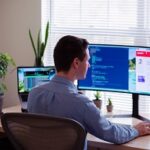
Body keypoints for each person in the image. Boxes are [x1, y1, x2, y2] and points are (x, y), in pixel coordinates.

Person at [27, 35, 150, 148]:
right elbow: (111, 133)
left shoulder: (34, 94)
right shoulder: (80, 103)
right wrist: (136, 130)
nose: (89, 65)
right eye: (87, 60)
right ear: (76, 63)